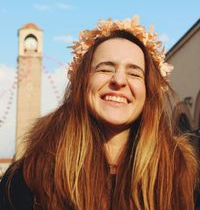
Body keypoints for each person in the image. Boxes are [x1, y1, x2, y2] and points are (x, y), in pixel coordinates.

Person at [0, 15, 199, 210]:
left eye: (134, 73)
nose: (119, 80)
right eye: (105, 69)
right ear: (82, 82)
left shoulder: (183, 177)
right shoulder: (28, 177)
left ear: (149, 92)